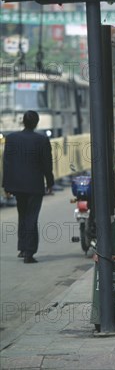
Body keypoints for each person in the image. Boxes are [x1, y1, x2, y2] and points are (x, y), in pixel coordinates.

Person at [2, 110, 54, 263]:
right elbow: (47, 165)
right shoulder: (42, 140)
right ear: (36, 122)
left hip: (17, 185)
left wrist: (6, 185)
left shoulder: (11, 138)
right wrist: (50, 183)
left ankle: (23, 248)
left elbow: (7, 163)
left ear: (22, 122)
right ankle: (29, 253)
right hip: (34, 185)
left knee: (22, 215)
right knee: (31, 217)